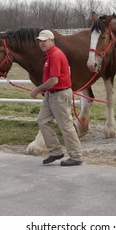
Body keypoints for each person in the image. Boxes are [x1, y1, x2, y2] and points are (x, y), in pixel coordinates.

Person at [30, 30, 82, 166]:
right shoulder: (49, 55)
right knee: (42, 120)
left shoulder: (55, 55)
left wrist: (38, 89)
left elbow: (53, 80)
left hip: (59, 95)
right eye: (40, 41)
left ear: (52, 41)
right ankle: (55, 151)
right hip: (51, 94)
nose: (42, 43)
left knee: (65, 125)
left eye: (44, 40)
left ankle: (76, 156)